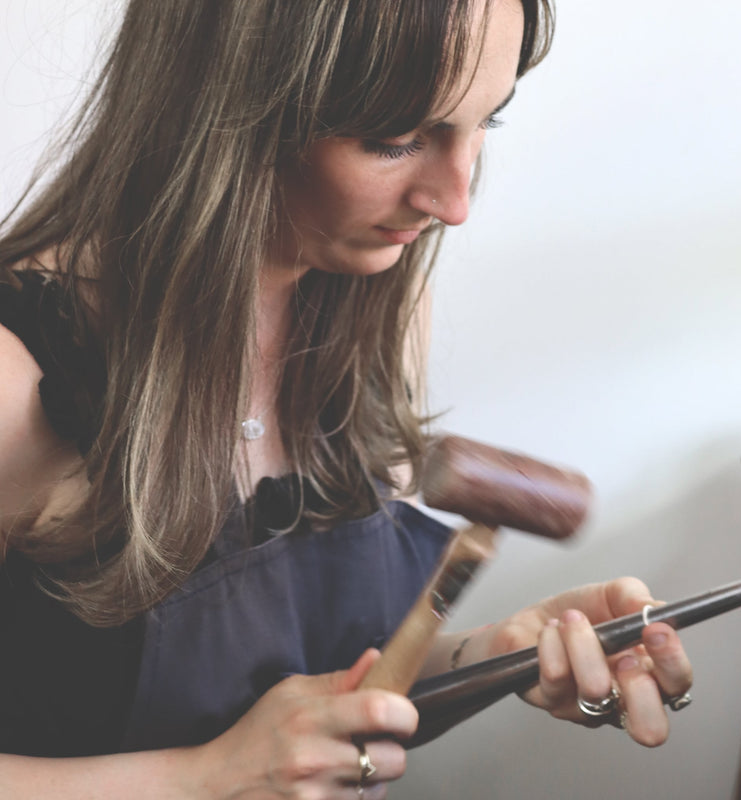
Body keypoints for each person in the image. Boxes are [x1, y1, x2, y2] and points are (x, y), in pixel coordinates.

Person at [0, 0, 693, 797]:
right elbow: (246, 758)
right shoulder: (21, 378)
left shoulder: (376, 316)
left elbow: (333, 695)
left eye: (486, 124)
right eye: (397, 138)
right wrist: (201, 778)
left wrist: (494, 654)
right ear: (228, 106)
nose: (454, 201)